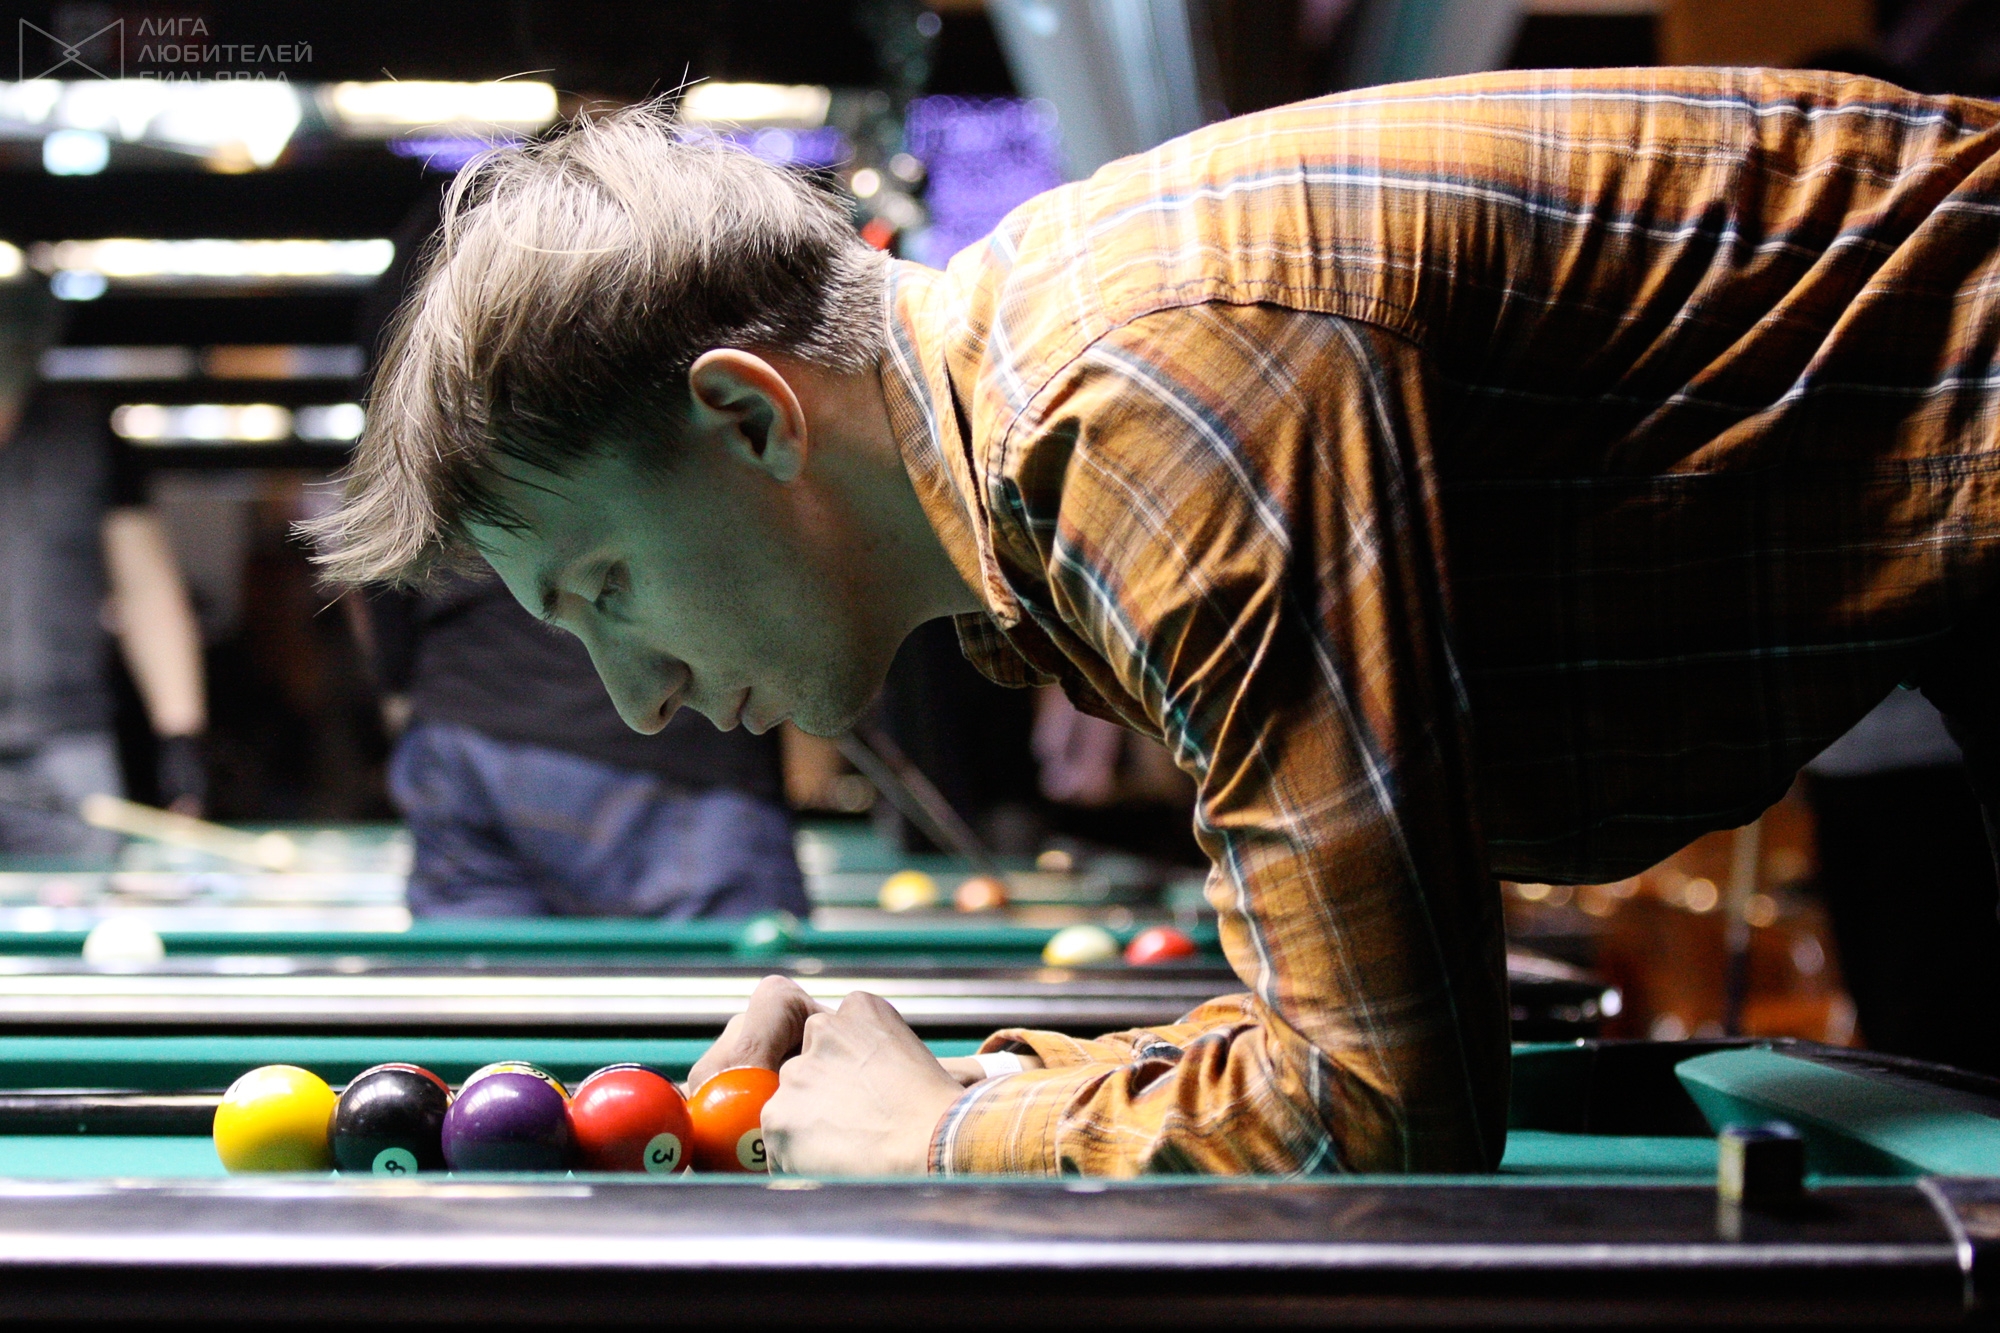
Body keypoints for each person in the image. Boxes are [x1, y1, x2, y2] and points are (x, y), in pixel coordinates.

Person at [310, 67, 2000, 1177]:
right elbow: (1340, 1023)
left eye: (605, 589)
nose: (634, 700)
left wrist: (945, 1136)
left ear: (752, 419)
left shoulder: (1136, 415)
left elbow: (1379, 1103)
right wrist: (984, 1081)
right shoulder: (1040, 461)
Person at [365, 572, 806, 919]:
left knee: (481, 983)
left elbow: (380, 544)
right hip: (678, 748)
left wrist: (399, 681)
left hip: (461, 719)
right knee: (733, 991)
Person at [0, 271, 207, 857]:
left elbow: (147, 594)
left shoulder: (86, 435)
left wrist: (180, 741)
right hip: (68, 747)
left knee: (87, 904)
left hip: (67, 743)